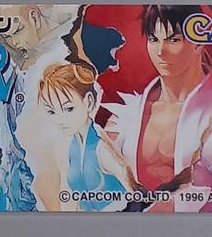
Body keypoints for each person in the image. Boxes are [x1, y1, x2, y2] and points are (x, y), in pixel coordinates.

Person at [102, 5, 212, 210]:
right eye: (153, 39)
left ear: (198, 43)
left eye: (173, 40)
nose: (161, 51)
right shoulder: (126, 117)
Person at [20, 61, 131, 211]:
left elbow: (134, 194)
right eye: (52, 112)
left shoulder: (101, 148)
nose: (60, 119)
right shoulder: (73, 147)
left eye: (69, 109)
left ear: (89, 101)